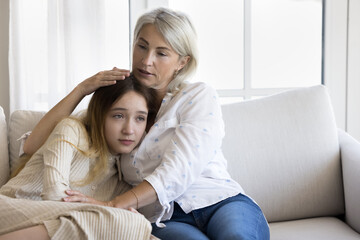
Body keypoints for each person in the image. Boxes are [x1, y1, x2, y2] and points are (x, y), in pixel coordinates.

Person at [22, 7, 270, 240]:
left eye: (161, 53)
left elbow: (178, 169)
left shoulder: (197, 96)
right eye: (141, 46)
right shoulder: (119, 106)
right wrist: (82, 89)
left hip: (220, 201)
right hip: (166, 219)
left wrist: (113, 205)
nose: (146, 60)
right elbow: (34, 144)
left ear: (182, 62)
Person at [0, 77, 157, 240]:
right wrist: (108, 211)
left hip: (55, 227)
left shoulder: (124, 181)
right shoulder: (72, 129)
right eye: (118, 116)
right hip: (9, 211)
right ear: (100, 115)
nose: (129, 130)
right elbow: (54, 193)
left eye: (140, 118)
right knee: (130, 221)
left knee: (131, 224)